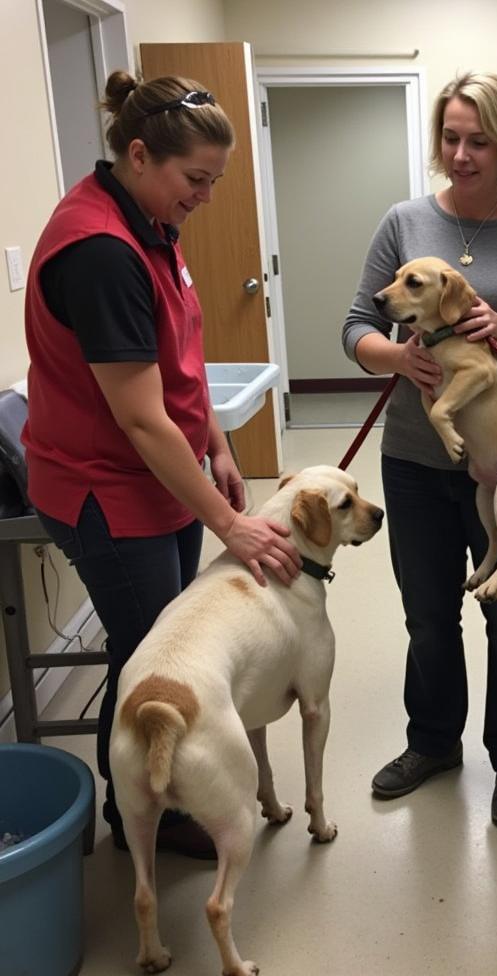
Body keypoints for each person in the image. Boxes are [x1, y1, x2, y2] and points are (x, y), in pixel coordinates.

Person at [22, 71, 302, 858]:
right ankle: (143, 814)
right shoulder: (100, 250)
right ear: (139, 155)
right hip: (109, 491)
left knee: (172, 647)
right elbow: (141, 419)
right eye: (196, 179)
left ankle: (160, 796)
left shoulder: (149, 223)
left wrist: (215, 440)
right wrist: (233, 527)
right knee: (149, 657)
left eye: (215, 181)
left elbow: (177, 362)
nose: (205, 197)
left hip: (166, 479)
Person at [343, 71, 497, 828]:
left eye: (478, 140)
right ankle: (432, 743)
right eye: (450, 138)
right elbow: (358, 325)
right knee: (427, 616)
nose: (461, 154)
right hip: (418, 461)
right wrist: (396, 358)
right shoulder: (404, 220)